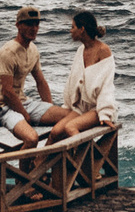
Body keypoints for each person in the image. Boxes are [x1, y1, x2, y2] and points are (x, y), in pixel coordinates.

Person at [36, 11, 119, 142]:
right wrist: (68, 106)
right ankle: (39, 162)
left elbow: (106, 86)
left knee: (70, 127)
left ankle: (85, 161)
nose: (70, 31)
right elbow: (72, 81)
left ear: (82, 29)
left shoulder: (103, 50)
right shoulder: (81, 50)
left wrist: (105, 114)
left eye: (73, 27)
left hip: (96, 109)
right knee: (56, 132)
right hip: (80, 108)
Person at [0, 6, 54, 144]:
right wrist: (25, 116)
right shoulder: (8, 52)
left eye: (36, 24)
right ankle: (25, 166)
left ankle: (43, 158)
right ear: (18, 26)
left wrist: (49, 108)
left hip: (22, 101)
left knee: (69, 117)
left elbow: (41, 82)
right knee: (31, 138)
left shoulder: (33, 50)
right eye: (28, 24)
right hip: (2, 107)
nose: (33, 28)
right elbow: (7, 92)